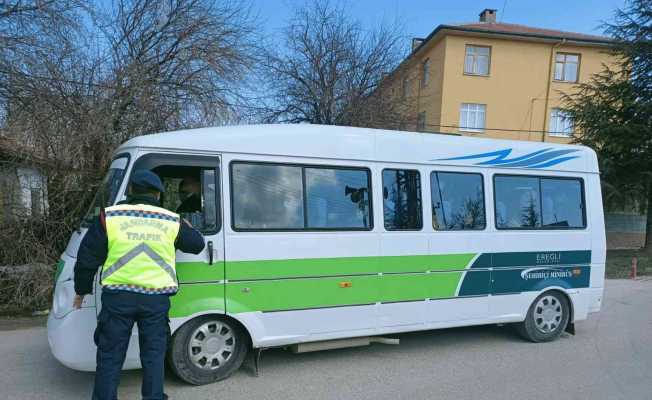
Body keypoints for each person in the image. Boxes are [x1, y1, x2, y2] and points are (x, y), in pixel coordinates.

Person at [73, 169, 205, 400]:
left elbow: (87, 257)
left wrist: (81, 290)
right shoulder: (170, 220)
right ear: (157, 194)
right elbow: (197, 245)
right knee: (153, 355)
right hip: (155, 300)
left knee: (110, 355)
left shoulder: (110, 216)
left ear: (131, 191)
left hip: (118, 299)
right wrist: (186, 225)